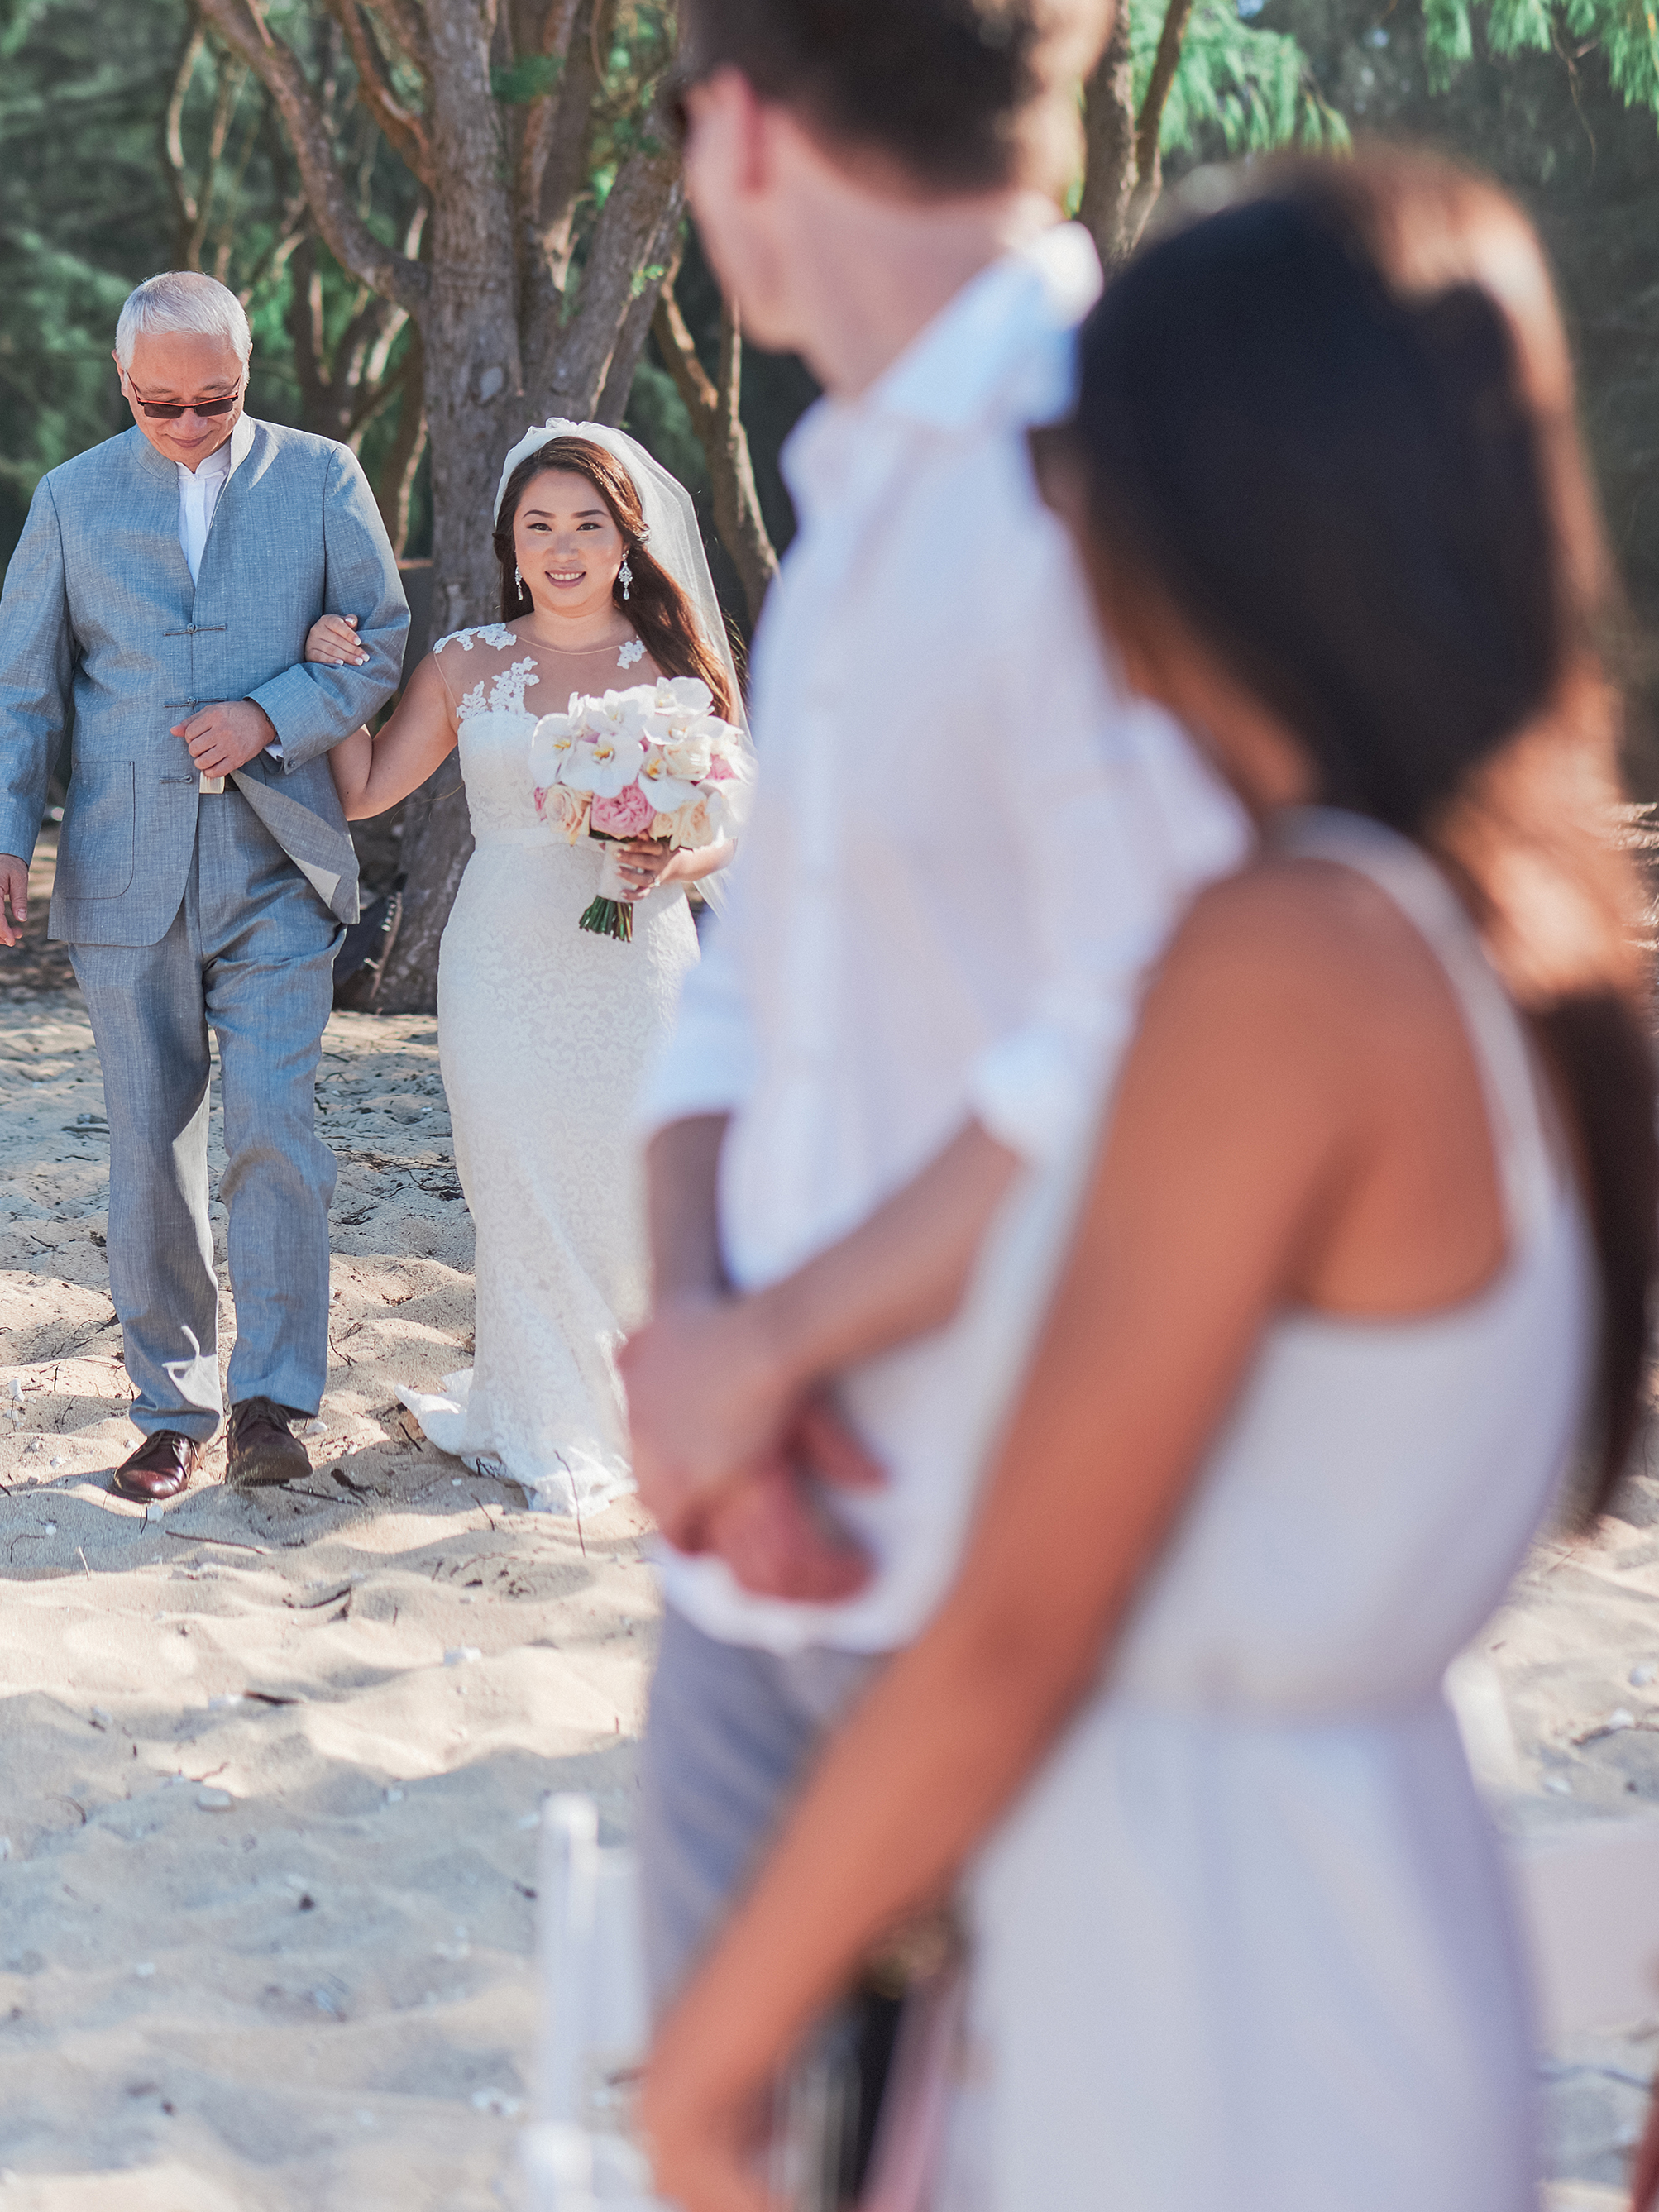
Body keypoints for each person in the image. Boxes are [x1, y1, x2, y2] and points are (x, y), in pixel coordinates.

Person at [639, 154, 1659, 2212]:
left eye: (1079, 474)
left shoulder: (1284, 964)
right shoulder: (1517, 931)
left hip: (1207, 2009)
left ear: (1216, 509)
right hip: (1328, 1932)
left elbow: (1023, 1616)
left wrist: (715, 2052)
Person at [619, 0, 1246, 2006]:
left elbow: (1148, 1034)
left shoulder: (1095, 476)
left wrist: (770, 1349)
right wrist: (698, 1353)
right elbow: (735, 1006)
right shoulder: (855, 497)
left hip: (1008, 1573)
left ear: (746, 127)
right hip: (758, 1554)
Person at [0, 272, 408, 1499]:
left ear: (249, 367)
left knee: (275, 1127)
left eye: (214, 399)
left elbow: (379, 637)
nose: (188, 423)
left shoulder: (323, 477)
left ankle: (272, 1400)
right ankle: (172, 1407)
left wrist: (271, 710)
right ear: (123, 385)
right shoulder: (69, 499)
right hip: (123, 872)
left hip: (284, 861)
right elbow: (21, 690)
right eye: (160, 404)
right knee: (150, 1150)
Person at [305, 421, 741, 1515]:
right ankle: (547, 1414)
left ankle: (639, 1407)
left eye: (586, 525)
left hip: (638, 955)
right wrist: (336, 684)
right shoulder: (468, 663)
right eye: (539, 526)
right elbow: (365, 792)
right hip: (501, 954)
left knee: (630, 1181)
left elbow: (733, 812)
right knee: (520, 1181)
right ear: (508, 541)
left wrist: (674, 852)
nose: (562, 547)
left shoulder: (671, 666)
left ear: (625, 539)